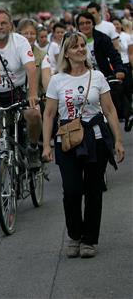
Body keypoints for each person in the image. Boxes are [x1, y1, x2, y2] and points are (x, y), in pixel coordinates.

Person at [42, 32, 125, 259]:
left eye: (82, 46)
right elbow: (49, 114)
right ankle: (75, 236)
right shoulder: (57, 80)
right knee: (72, 190)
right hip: (67, 140)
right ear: (66, 53)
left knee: (93, 191)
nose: (80, 49)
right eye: (75, 46)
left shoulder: (97, 76)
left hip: (95, 138)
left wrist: (118, 139)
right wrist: (46, 145)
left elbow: (109, 110)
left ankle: (89, 240)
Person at [0, 10, 42, 182]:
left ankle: (33, 147)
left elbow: (31, 69)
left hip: (19, 92)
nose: (0, 27)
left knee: (34, 114)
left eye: (4, 23)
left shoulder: (20, 42)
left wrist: (33, 94)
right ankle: (0, 191)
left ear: (10, 25)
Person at [18, 18, 52, 99]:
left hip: (35, 100)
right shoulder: (11, 53)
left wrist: (50, 94)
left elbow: (46, 79)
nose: (29, 36)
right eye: (26, 33)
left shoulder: (43, 55)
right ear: (19, 34)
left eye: (32, 33)